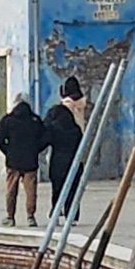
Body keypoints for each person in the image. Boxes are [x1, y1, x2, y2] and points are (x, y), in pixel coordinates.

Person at [0, 94, 49, 224]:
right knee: (31, 191)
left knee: (11, 190)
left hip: (13, 161)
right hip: (30, 161)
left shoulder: (7, 120)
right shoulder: (35, 120)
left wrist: (7, 151)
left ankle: (10, 216)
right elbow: (45, 137)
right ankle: (30, 216)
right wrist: (36, 149)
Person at [43, 77, 87, 210]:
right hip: (77, 142)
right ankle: (72, 212)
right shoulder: (81, 103)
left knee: (58, 185)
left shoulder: (64, 106)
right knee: (74, 183)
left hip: (59, 151)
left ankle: (57, 209)